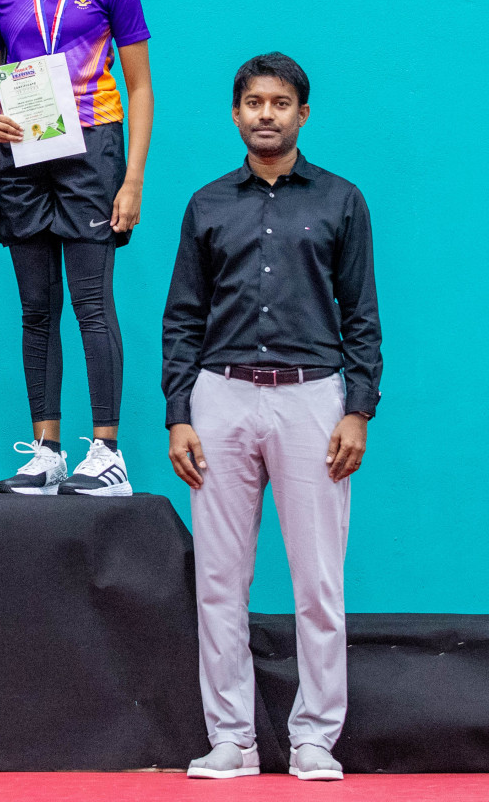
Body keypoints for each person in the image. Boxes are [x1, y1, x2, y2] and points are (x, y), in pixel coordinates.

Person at [164, 53, 380, 781]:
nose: (266, 114)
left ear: (302, 115)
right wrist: (178, 414)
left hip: (312, 398)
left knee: (319, 582)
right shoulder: (206, 205)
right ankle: (232, 738)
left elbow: (364, 317)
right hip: (219, 397)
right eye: (253, 102)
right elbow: (182, 319)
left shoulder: (341, 201)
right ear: (235, 113)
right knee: (220, 581)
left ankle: (315, 736)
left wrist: (357, 410)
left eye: (280, 103)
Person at [0, 0, 154, 495]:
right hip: (22, 156)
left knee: (92, 302)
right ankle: (46, 449)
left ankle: (106, 453)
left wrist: (130, 181)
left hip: (92, 150)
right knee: (35, 309)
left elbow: (139, 86)